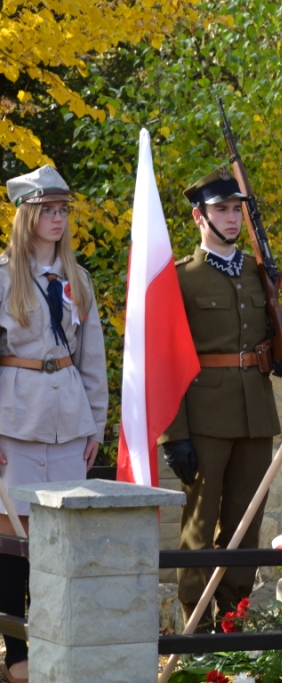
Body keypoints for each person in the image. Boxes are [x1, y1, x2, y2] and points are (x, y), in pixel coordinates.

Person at [159, 167, 282, 628]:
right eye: (222, 209)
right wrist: (173, 435)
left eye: (236, 209)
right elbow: (166, 361)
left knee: (247, 525)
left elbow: (269, 337)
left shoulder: (258, 272)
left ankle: (233, 620)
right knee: (200, 525)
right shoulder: (181, 279)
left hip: (254, 413)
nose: (232, 217)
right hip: (203, 416)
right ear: (199, 217)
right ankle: (196, 625)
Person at [0, 166, 108, 683]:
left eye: (63, 210)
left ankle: (57, 645)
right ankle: (17, 656)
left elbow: (93, 360)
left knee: (61, 543)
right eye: (47, 210)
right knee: (13, 542)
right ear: (27, 216)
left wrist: (96, 427)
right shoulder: (2, 278)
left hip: (69, 424)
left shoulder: (78, 280)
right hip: (14, 426)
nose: (58, 219)